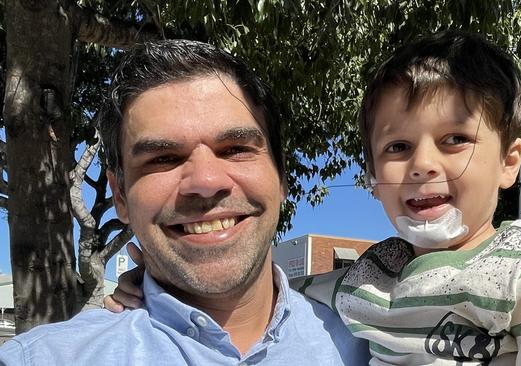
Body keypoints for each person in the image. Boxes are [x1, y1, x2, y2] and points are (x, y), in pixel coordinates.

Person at [105, 31, 521, 365]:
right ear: (374, 177)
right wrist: (152, 285)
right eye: (398, 147)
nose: (423, 164)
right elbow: (269, 295)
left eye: (455, 140)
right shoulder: (371, 278)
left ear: (509, 161)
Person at [0, 40, 369, 365]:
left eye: (236, 149)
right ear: (121, 196)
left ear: (282, 175)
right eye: (163, 158)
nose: (206, 183)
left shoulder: (381, 341)